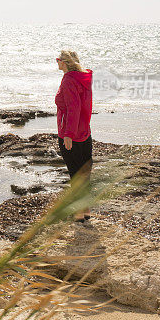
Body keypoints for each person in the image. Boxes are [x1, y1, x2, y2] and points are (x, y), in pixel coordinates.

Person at [54, 50, 93, 222]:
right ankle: (85, 210)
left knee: (75, 174)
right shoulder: (83, 78)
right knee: (84, 174)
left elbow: (73, 108)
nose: (56, 62)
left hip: (71, 135)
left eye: (58, 60)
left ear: (65, 62)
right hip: (85, 132)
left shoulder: (69, 80)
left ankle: (79, 213)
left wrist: (68, 134)